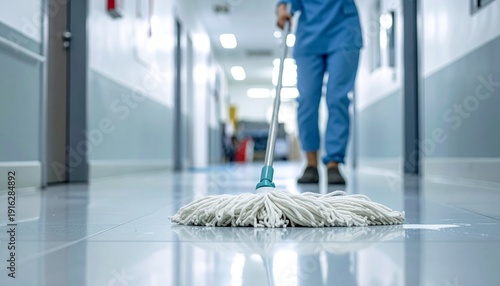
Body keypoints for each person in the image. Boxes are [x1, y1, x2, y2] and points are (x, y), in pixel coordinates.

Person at [276, 0, 363, 184]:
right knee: (307, 99)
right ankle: (311, 164)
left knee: (337, 97)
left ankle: (333, 164)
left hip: (344, 30)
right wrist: (282, 8)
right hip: (309, 35)